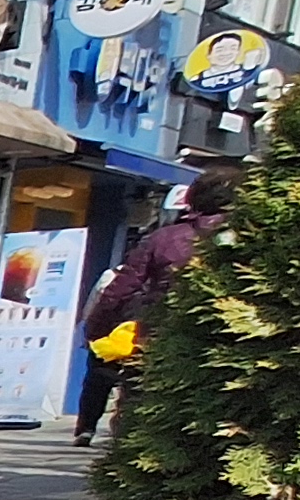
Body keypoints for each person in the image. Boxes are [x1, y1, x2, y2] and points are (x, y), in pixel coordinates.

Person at [72, 185, 216, 445]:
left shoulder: (162, 240)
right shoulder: (245, 234)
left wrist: (94, 329)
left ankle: (110, 438)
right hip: (216, 337)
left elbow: (118, 290)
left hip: (154, 335)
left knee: (128, 392)